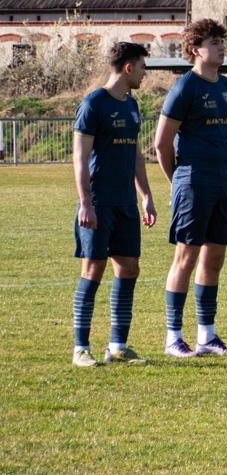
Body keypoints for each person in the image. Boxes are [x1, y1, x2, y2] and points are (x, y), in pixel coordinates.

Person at [154, 18, 227, 357]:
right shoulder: (184, 87)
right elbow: (162, 143)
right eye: (213, 41)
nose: (221, 46)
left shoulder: (226, 86)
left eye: (221, 40)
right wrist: (178, 181)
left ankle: (207, 334)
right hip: (192, 181)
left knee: (214, 257)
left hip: (222, 181)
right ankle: (173, 337)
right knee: (186, 257)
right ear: (194, 49)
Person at [70, 41, 157, 366]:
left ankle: (118, 346)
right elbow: (80, 158)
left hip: (125, 203)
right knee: (94, 269)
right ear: (128, 67)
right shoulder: (94, 104)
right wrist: (85, 203)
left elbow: (134, 153)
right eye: (143, 67)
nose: (146, 74)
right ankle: (81, 348)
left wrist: (145, 195)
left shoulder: (131, 104)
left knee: (129, 267)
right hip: (99, 202)